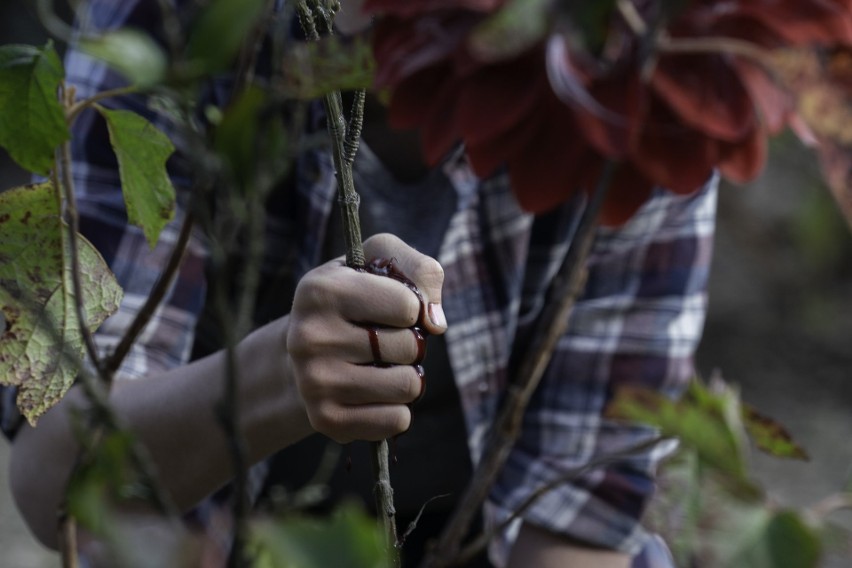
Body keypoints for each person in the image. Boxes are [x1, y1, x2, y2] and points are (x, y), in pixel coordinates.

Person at [2, 1, 718, 567]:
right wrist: (276, 377)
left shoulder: (645, 83)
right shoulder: (173, 23)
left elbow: (576, 535)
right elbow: (53, 483)